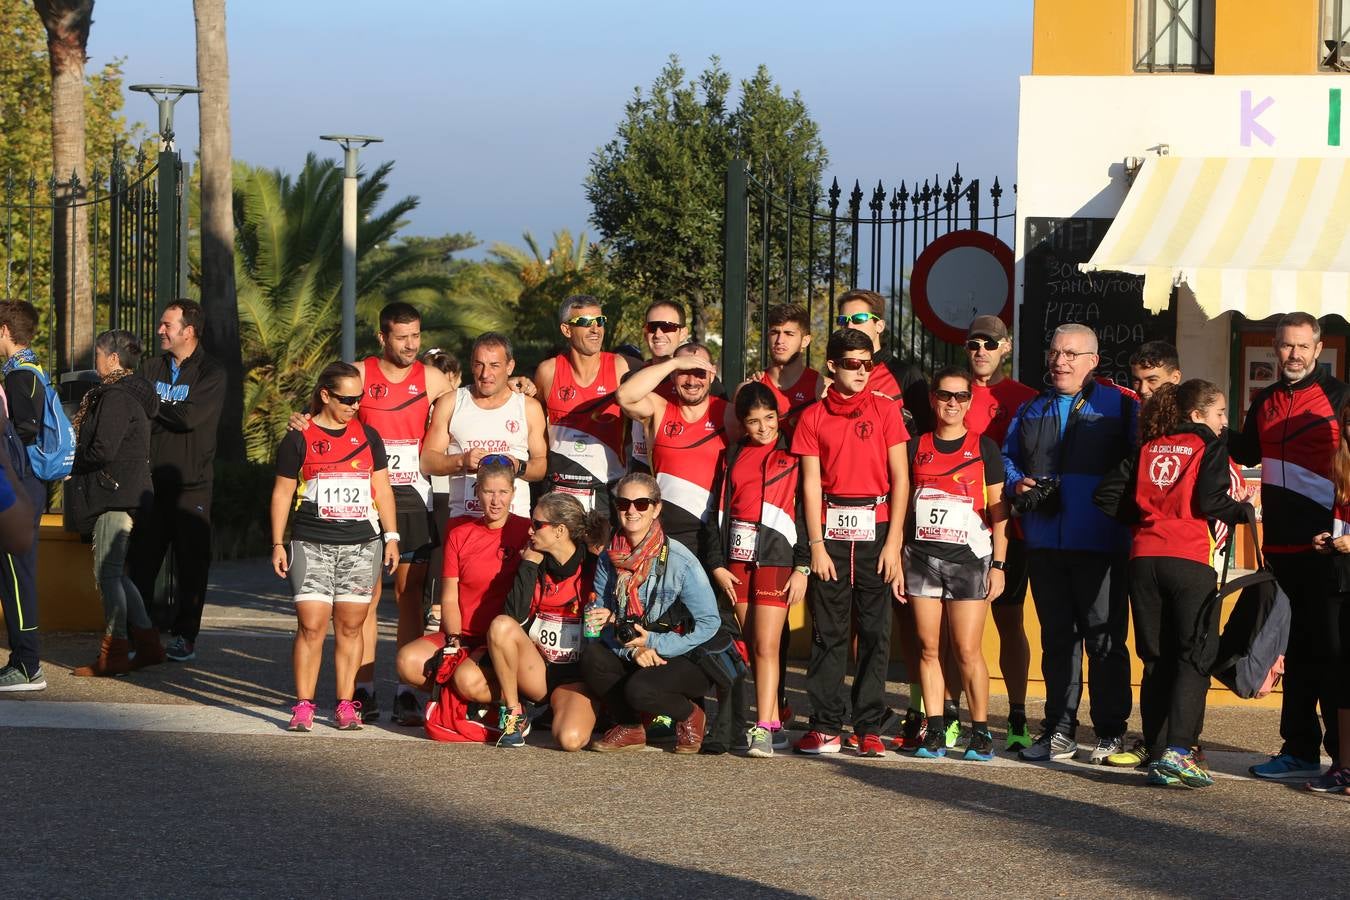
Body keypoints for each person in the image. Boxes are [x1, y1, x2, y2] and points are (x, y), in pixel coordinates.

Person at [1092, 379, 1249, 788]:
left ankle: (1160, 750)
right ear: (1197, 415)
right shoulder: (1208, 446)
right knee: (1194, 656)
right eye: (1218, 414)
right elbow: (1212, 501)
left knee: (1156, 658)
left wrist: (1145, 520)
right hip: (1188, 558)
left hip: (1144, 559)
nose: (1223, 423)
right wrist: (1244, 511)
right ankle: (1180, 751)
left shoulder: (1149, 447)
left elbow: (1106, 496)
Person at [1003, 323, 1137, 764]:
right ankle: (1058, 730)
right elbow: (1007, 458)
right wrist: (1013, 483)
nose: (1060, 361)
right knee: (1057, 639)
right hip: (1045, 540)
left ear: (1093, 362)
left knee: (1104, 640)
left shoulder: (1120, 405)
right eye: (1055, 352)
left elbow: (1139, 460)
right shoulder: (1030, 408)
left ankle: (1111, 731)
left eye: (1071, 354)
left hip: (1100, 541)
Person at [1231, 311, 1350, 780]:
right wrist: (1205, 427)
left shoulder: (1339, 397)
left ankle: (1341, 758)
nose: (1294, 355)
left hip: (1328, 551)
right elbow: (1247, 453)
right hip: (1281, 550)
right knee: (1297, 652)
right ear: (1274, 348)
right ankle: (1298, 750)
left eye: (1303, 346)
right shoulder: (1264, 399)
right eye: (1285, 346)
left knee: (1331, 654)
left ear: (1319, 349)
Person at [791, 328, 909, 757]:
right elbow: (808, 485)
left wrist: (894, 541)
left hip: (877, 530)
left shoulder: (885, 410)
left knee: (877, 633)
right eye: (853, 364)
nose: (862, 371)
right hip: (831, 534)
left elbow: (901, 478)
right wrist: (816, 545)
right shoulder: (812, 417)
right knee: (829, 633)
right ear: (833, 366)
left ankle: (869, 725)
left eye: (868, 364)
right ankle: (825, 725)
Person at [271, 362, 399, 731]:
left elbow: (382, 489)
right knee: (311, 625)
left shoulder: (369, 436)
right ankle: (304, 704)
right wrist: (278, 542)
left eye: (359, 398)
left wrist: (391, 536)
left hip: (361, 544)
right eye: (347, 399)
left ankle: (345, 703)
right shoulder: (299, 436)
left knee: (351, 627)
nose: (355, 405)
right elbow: (281, 492)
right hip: (311, 542)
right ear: (325, 395)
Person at [352, 302, 457, 725]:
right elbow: (322, 416)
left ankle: (408, 691)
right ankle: (362, 687)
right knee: (365, 597)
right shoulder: (359, 375)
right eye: (402, 337)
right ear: (382, 337)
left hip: (414, 498)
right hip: (366, 497)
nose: (411, 345)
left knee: (409, 597)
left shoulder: (431, 378)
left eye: (416, 336)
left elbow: (467, 409)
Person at [906, 367, 1008, 761]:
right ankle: (934, 730)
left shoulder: (985, 448)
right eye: (945, 395)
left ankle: (980, 731)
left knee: (967, 649)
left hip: (970, 560)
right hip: (922, 558)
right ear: (933, 398)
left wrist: (999, 565)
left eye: (961, 397)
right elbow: (904, 506)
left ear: (970, 401)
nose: (952, 403)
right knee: (929, 648)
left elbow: (1001, 512)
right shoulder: (917, 446)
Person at [703, 381, 809, 757]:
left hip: (778, 560)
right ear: (741, 423)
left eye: (770, 418)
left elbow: (808, 513)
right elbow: (714, 514)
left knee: (767, 645)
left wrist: (804, 565)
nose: (764, 428)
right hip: (736, 563)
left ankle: (763, 725)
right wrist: (716, 565)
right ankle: (775, 726)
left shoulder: (795, 452)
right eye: (754, 421)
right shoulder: (731, 455)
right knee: (752, 645)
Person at [580, 473, 722, 753]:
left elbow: (709, 623)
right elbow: (601, 620)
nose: (631, 511)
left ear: (656, 508)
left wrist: (655, 643)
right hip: (633, 647)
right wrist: (634, 650)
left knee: (640, 690)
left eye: (641, 504)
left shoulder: (680, 560)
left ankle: (690, 714)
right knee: (592, 657)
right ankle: (630, 727)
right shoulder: (610, 558)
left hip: (682, 653)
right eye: (624, 504)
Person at [394, 459, 531, 722]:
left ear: (513, 493)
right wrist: (453, 640)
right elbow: (449, 596)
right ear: (477, 491)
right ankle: (470, 698)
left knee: (465, 680)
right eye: (489, 491)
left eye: (503, 492)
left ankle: (511, 700)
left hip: (499, 641)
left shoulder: (526, 530)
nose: (496, 500)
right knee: (406, 662)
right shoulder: (460, 533)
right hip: (462, 634)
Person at [128, 299, 225, 663]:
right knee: (141, 564)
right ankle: (138, 634)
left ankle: (185, 636)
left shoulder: (212, 373)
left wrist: (154, 407)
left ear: (189, 330)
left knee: (191, 567)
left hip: (192, 486)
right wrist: (159, 410)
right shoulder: (151, 366)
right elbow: (139, 413)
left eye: (167, 325)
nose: (160, 331)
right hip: (149, 484)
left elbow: (189, 418)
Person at [962, 314, 1037, 751]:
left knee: (1009, 621)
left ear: (1006, 347)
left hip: (1009, 527)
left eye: (991, 344)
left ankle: (1017, 716)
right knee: (956, 631)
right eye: (975, 344)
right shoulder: (951, 392)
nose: (982, 351)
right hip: (956, 529)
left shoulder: (1025, 398)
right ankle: (947, 713)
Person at [65, 331, 160, 677]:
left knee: (106, 573)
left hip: (113, 493)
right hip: (121, 491)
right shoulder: (130, 393)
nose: (97, 362)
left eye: (99, 356)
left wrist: (70, 464)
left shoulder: (117, 397)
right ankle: (148, 644)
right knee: (117, 572)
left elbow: (103, 448)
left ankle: (115, 649)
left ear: (114, 359)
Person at [484, 491, 608, 750]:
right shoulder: (534, 562)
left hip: (577, 675)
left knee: (570, 740)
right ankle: (514, 713)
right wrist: (528, 566)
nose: (530, 531)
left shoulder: (594, 567)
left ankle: (576, 710)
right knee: (500, 626)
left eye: (537, 525)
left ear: (560, 531)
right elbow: (514, 618)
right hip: (538, 670)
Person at [420, 332, 547, 521]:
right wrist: (462, 460)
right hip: (464, 519)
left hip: (513, 522)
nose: (485, 374)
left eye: (494, 365)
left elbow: (541, 466)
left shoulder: (528, 407)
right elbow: (427, 461)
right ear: (471, 364)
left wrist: (517, 466)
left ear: (510, 366)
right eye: (479, 364)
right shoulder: (451, 402)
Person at [617, 341, 728, 554]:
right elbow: (625, 395)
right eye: (684, 372)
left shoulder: (727, 414)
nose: (692, 380)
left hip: (711, 536)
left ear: (712, 376)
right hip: (665, 534)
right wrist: (674, 362)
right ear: (672, 376)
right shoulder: (659, 408)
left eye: (700, 372)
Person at [534, 295, 631, 516]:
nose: (595, 329)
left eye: (600, 321)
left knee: (603, 552)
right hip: (560, 489)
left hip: (606, 488)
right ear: (567, 330)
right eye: (586, 322)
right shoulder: (548, 371)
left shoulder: (618, 367)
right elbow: (532, 422)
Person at [0, 300, 51, 690]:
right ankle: (24, 658)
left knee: (18, 574)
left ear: (5, 330)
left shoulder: (20, 376)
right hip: (25, 483)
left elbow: (24, 432)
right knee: (15, 573)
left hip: (21, 484)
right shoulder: (28, 372)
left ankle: (28, 662)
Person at [1306, 398, 1350, 794]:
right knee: (1339, 676)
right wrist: (1327, 540)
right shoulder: (1341, 472)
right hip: (1338, 582)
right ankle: (1343, 765)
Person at [835, 288, 931, 433]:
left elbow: (924, 435)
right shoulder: (835, 371)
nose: (849, 326)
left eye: (859, 319)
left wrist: (894, 414)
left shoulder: (906, 374)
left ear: (879, 326)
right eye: (843, 320)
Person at [422, 347, 461, 633]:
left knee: (447, 544)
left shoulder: (463, 402)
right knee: (435, 544)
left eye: (447, 373)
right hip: (428, 484)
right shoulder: (421, 404)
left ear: (457, 377)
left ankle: (439, 603)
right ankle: (431, 604)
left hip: (455, 485)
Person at [629, 300, 689, 473]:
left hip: (682, 478)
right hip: (641, 479)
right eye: (652, 327)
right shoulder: (633, 379)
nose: (658, 333)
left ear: (683, 333)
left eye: (667, 327)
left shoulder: (698, 380)